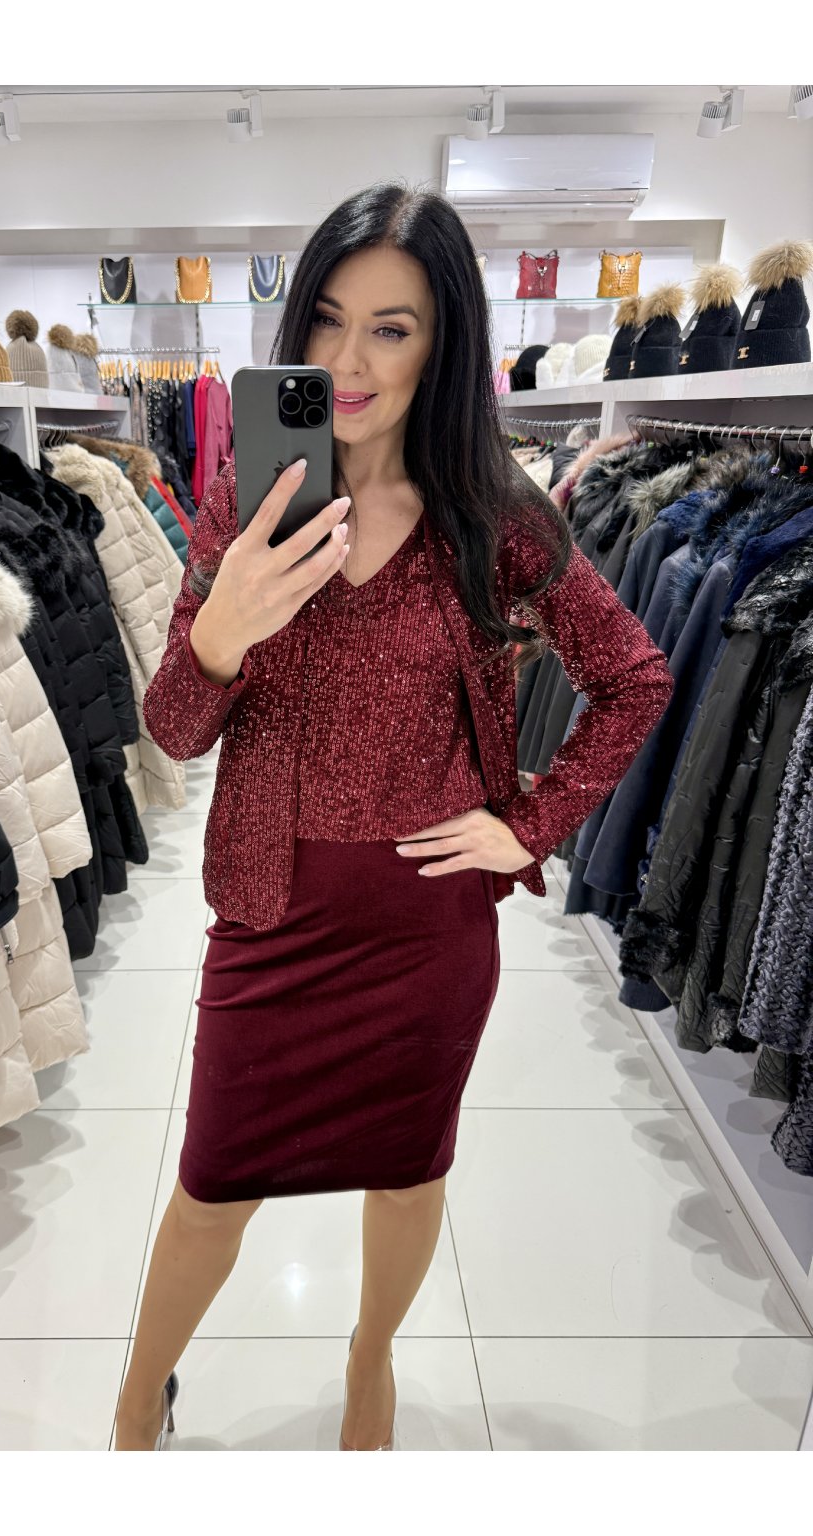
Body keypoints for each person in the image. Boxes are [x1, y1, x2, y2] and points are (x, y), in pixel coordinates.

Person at [115, 182, 674, 1452]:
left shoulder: (495, 518)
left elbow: (634, 677)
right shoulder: (245, 503)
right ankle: (136, 1394)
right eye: (325, 319)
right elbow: (174, 730)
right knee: (210, 1185)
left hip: (426, 933)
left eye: (391, 328)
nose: (349, 361)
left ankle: (369, 1362)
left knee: (409, 1172)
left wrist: (531, 822)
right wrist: (217, 634)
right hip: (271, 917)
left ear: (443, 343)